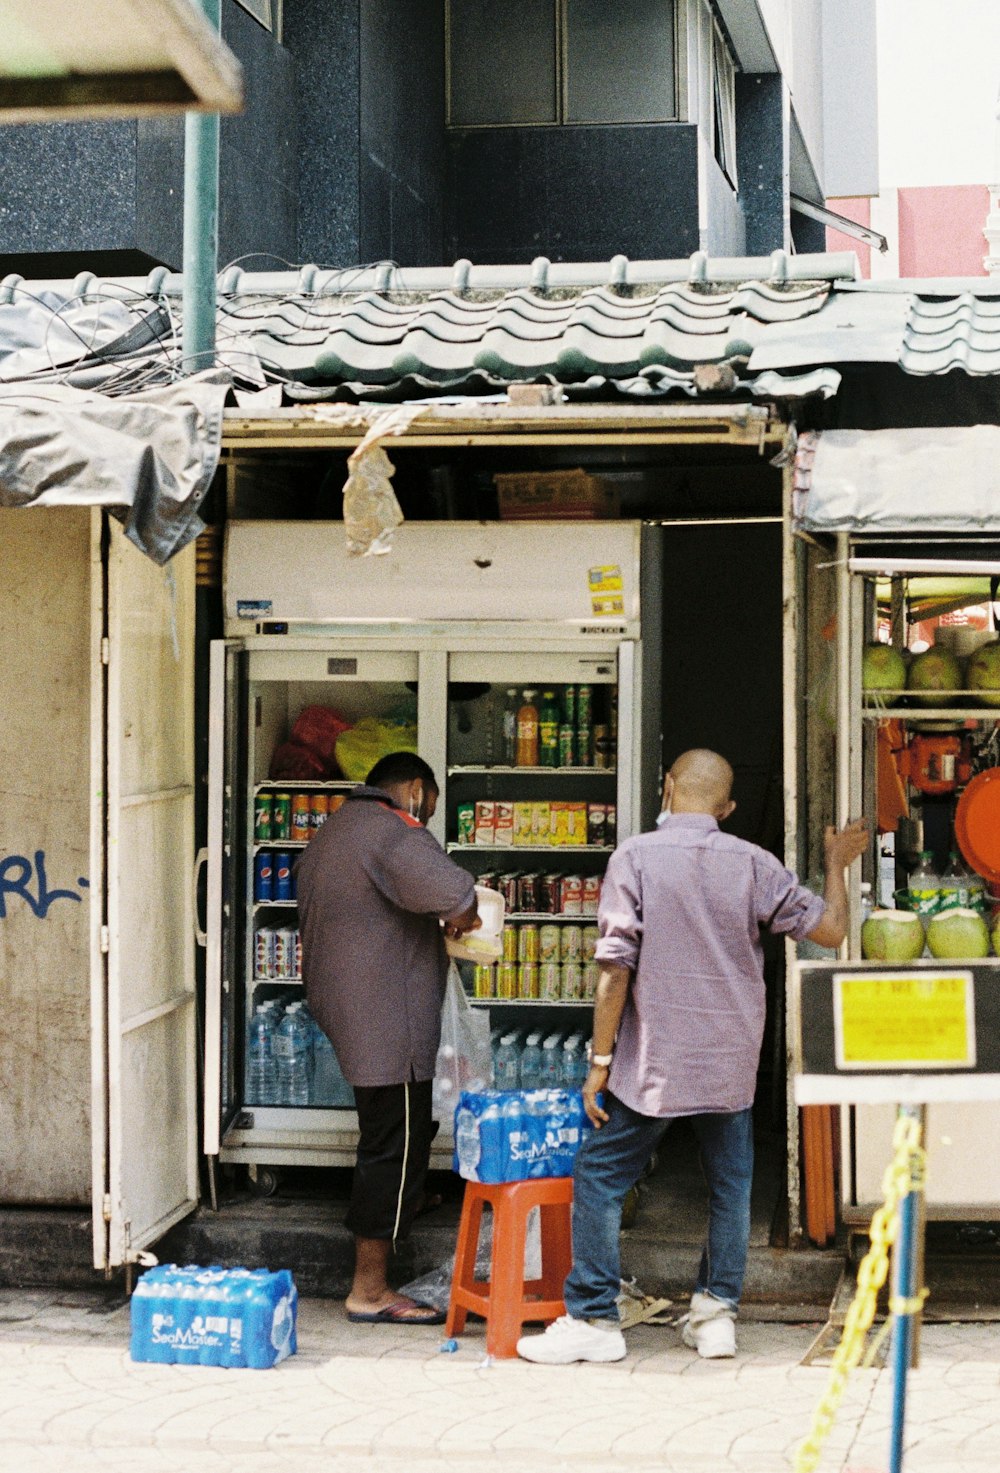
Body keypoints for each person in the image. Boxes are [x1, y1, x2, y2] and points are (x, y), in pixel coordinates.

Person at [517, 748, 867, 1365]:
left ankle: (596, 1319)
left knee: (599, 1176)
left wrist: (599, 1063)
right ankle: (716, 1316)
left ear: (668, 786)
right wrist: (836, 864)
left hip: (655, 1058)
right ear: (727, 808)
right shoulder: (753, 863)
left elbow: (613, 971)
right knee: (730, 1189)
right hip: (730, 1058)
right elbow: (832, 932)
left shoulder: (634, 857)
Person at [297, 751, 480, 1326]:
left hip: (345, 1004)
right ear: (413, 789)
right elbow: (460, 897)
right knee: (391, 1147)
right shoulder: (394, 832)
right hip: (385, 1017)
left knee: (396, 1130)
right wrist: (462, 911)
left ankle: (411, 1197)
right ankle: (370, 1289)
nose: (426, 818)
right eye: (429, 805)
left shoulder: (337, 827)